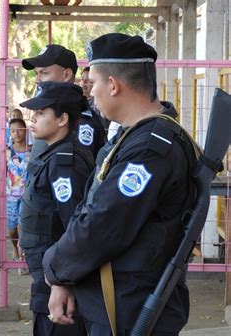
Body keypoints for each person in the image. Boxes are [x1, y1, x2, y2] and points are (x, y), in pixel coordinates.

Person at [43, 33, 198, 335]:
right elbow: (91, 207)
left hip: (129, 307)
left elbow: (103, 225)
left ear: (113, 85)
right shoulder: (135, 137)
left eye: (94, 83)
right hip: (118, 299)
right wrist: (65, 276)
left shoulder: (150, 149)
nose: (91, 94)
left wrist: (54, 269)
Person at [19, 81, 94, 336]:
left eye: (41, 113)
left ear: (62, 119)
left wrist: (63, 282)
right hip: (49, 274)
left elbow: (75, 227)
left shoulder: (65, 163)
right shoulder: (55, 155)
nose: (33, 119)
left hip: (57, 279)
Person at [22, 44, 106, 159]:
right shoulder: (51, 113)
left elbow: (71, 172)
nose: (37, 80)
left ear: (66, 75)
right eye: (37, 74)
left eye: (44, 73)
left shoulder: (80, 120)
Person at [1, 118, 31, 265]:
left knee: (23, 226)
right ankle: (15, 247)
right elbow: (2, 171)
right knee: (12, 230)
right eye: (13, 131)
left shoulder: (32, 150)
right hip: (11, 196)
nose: (17, 133)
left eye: (20, 129)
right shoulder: (7, 151)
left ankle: (22, 257)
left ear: (25, 130)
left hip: (27, 196)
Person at [81, 66, 110, 131]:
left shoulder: (100, 103)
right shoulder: (79, 101)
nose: (84, 82)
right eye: (82, 79)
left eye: (88, 80)